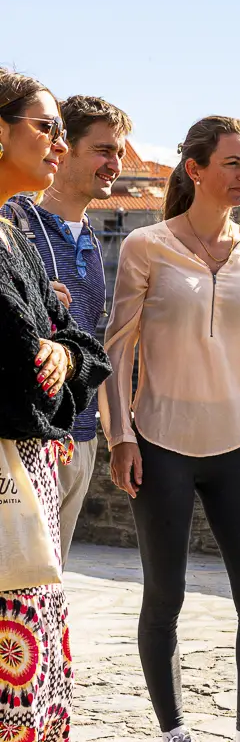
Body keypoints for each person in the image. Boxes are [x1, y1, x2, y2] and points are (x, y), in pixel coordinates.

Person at [100, 116, 240, 742]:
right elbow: (118, 348)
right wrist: (121, 433)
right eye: (231, 163)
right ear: (196, 169)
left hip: (234, 444)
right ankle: (174, 729)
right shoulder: (145, 246)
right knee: (165, 594)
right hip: (161, 442)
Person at [0, 69, 112, 742]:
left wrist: (64, 357)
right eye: (46, 128)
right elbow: (19, 362)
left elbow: (77, 347)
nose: (59, 147)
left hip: (29, 475)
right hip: (9, 477)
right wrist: (54, 357)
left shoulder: (12, 240)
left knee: (31, 674)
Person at [2, 94, 132, 564]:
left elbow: (95, 343)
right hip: (28, 434)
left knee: (50, 586)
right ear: (66, 147)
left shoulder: (92, 239)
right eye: (103, 150)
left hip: (81, 436)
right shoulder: (14, 222)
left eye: (119, 152)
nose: (115, 163)